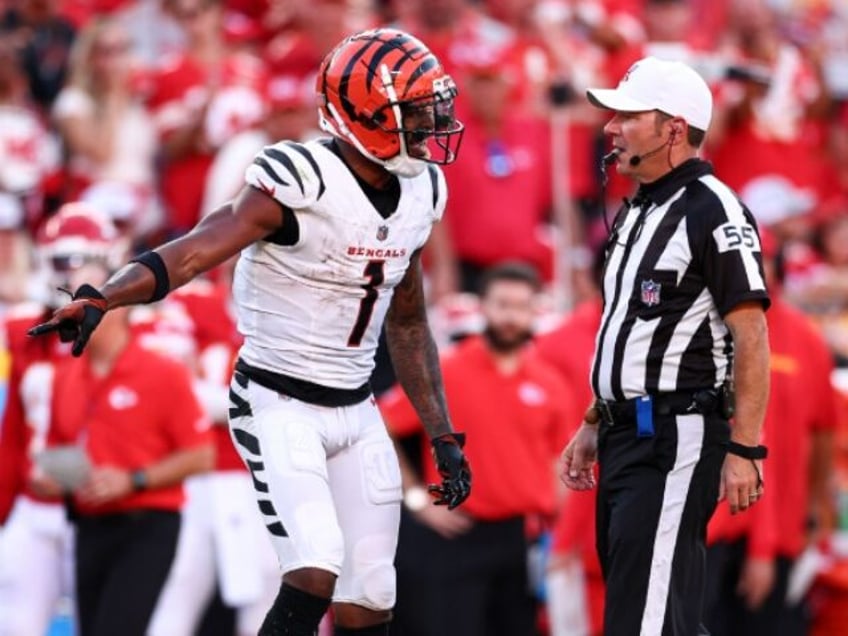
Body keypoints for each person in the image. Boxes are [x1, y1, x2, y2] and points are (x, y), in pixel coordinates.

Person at [29, 27, 472, 636]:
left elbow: (409, 319)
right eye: (415, 113)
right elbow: (192, 252)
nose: (432, 125)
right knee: (314, 567)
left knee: (371, 594)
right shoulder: (301, 179)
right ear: (366, 116)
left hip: (356, 401)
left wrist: (441, 432)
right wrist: (106, 295)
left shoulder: (424, 190)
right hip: (277, 398)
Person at [559, 56, 771, 636]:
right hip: (630, 433)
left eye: (628, 115)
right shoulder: (640, 210)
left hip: (676, 435)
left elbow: (751, 335)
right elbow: (629, 334)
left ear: (674, 128)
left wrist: (747, 449)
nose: (611, 127)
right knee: (655, 609)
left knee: (643, 620)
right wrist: (595, 418)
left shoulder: (713, 209)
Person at [380, 261, 572, 636]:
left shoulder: (551, 384)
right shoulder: (445, 372)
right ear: (482, 306)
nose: (511, 316)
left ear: (536, 311)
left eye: (521, 305)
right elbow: (381, 426)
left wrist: (557, 533)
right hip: (455, 538)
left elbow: (560, 461)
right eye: (502, 304)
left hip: (522, 540)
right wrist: (416, 498)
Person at [704, 229, 837, 636]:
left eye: (758, 260)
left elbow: (822, 432)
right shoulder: (701, 330)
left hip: (781, 522)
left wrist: (818, 504)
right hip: (710, 524)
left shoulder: (804, 338)